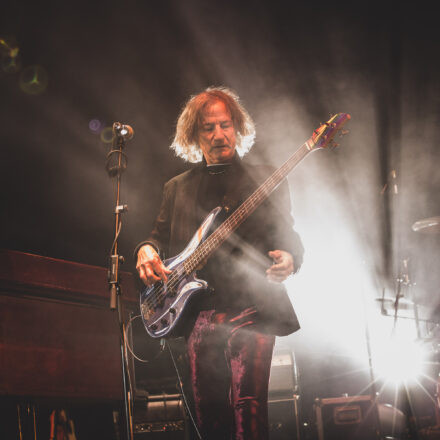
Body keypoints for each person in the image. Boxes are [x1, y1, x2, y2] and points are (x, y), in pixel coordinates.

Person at [135, 87, 304, 439]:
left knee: (249, 408)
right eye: (208, 128)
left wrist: (290, 257)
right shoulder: (176, 188)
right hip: (197, 315)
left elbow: (287, 233)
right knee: (209, 415)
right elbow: (157, 236)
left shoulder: (265, 177)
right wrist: (145, 251)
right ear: (194, 136)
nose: (218, 135)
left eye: (225, 125)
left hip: (251, 308)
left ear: (237, 128)